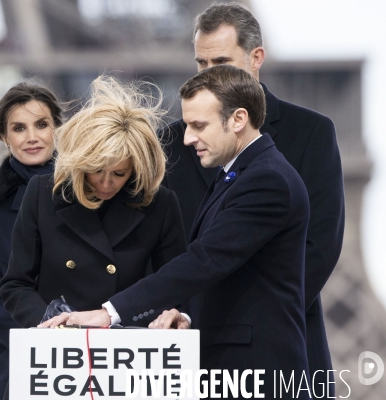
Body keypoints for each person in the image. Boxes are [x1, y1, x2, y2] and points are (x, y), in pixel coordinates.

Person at [61, 65, 312, 399]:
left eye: (199, 125)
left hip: (257, 372)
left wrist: (109, 313)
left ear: (237, 119)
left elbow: (205, 260)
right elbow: (226, 272)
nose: (187, 137)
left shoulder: (266, 180)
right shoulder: (239, 175)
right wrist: (185, 314)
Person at [161, 3, 344, 395]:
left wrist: (237, 320)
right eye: (202, 62)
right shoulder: (170, 142)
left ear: (256, 57)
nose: (210, 73)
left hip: (277, 342)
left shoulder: (311, 132)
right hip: (186, 341)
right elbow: (165, 242)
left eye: (222, 60)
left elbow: (320, 245)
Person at [0, 76, 186, 329]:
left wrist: (175, 317)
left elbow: (175, 285)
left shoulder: (159, 204)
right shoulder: (42, 195)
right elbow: (16, 284)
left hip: (128, 349)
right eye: (97, 170)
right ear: (80, 162)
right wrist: (48, 320)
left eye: (119, 174)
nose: (106, 183)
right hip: (60, 351)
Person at [0, 82, 62, 400]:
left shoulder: (96, 190)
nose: (32, 137)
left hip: (92, 348)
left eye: (41, 124)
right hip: (23, 354)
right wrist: (37, 341)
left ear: (56, 128)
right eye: (19, 128)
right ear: (4, 137)